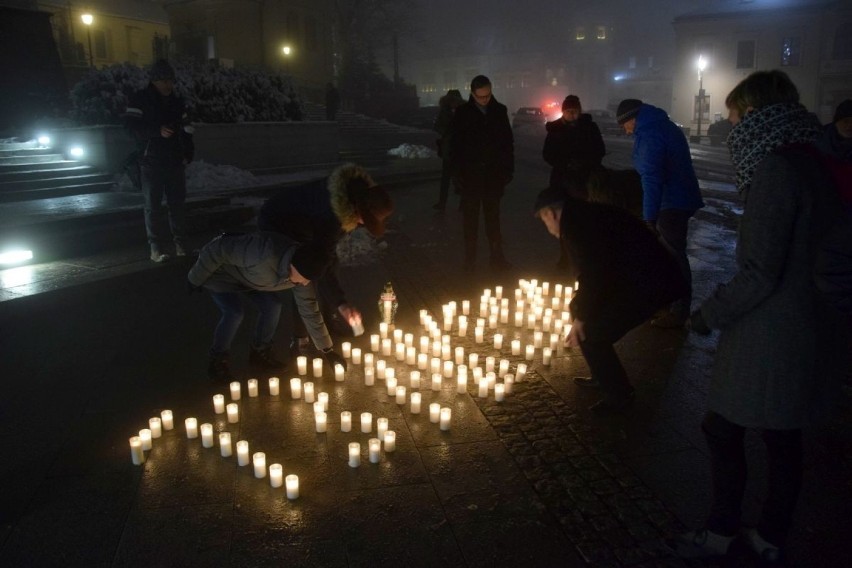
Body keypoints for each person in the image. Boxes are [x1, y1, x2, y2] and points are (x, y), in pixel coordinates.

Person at [675, 70, 847, 564]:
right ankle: (771, 536)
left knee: (722, 428)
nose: (730, 127)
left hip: (773, 332)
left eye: (734, 115)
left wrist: (708, 313)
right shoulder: (816, 157)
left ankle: (723, 531)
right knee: (783, 435)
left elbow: (761, 271)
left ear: (754, 114)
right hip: (810, 322)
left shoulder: (777, 169)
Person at [534, 186, 686, 413]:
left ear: (551, 214)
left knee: (592, 335)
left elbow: (596, 273)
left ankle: (620, 396)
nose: (548, 229)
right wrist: (580, 306)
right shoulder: (583, 215)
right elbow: (595, 269)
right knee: (582, 315)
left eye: (544, 222)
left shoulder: (577, 225)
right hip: (637, 279)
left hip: (649, 285)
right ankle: (601, 374)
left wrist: (582, 316)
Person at [258, 163, 393, 358]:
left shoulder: (356, 192)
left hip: (307, 224)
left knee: (330, 263)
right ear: (358, 211)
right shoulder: (331, 216)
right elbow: (321, 262)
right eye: (365, 220)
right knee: (302, 277)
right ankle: (300, 339)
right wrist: (342, 304)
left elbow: (328, 256)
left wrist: (340, 303)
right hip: (279, 223)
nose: (363, 225)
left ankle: (329, 321)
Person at [188, 233, 346, 382]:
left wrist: (327, 350)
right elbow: (218, 249)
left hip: (251, 281)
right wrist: (195, 278)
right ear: (295, 266)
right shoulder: (262, 252)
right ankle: (217, 360)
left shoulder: (302, 274)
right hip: (221, 276)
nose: (305, 284)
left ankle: (259, 351)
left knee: (273, 305)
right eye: (305, 279)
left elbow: (310, 309)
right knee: (234, 312)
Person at [617, 98, 704, 328]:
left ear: (632, 119)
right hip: (679, 199)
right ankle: (670, 305)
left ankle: (678, 310)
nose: (625, 131)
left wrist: (649, 217)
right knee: (668, 255)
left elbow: (652, 179)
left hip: (672, 203)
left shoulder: (650, 134)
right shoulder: (659, 125)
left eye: (624, 125)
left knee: (673, 256)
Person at [125, 59, 194, 263]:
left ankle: (181, 245)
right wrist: (156, 132)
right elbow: (130, 128)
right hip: (151, 160)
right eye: (163, 80)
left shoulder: (177, 101)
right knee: (153, 206)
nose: (168, 85)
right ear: (154, 81)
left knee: (177, 205)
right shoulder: (140, 99)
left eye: (170, 80)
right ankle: (156, 248)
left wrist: (188, 152)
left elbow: (187, 129)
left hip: (174, 160)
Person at [448, 75, 514, 271]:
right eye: (480, 97)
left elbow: (507, 143)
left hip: (493, 176)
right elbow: (456, 146)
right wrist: (457, 174)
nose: (485, 100)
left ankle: (497, 256)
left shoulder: (499, 111)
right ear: (473, 94)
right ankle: (470, 259)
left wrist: (507, 170)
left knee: (493, 218)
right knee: (470, 220)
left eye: (488, 95)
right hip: (471, 177)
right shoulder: (462, 113)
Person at [542, 95, 606, 198]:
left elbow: (599, 150)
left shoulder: (589, 128)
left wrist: (586, 163)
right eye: (568, 111)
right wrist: (565, 164)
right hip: (561, 177)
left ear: (579, 112)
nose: (572, 114)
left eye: (574, 111)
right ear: (563, 112)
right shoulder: (555, 129)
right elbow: (548, 153)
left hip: (586, 177)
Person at [432, 89, 464, 211]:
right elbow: (437, 126)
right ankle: (442, 203)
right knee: (445, 178)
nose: (453, 103)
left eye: (455, 101)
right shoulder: (444, 112)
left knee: (460, 177)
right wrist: (447, 131)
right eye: (451, 101)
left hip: (461, 150)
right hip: (448, 149)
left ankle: (463, 202)